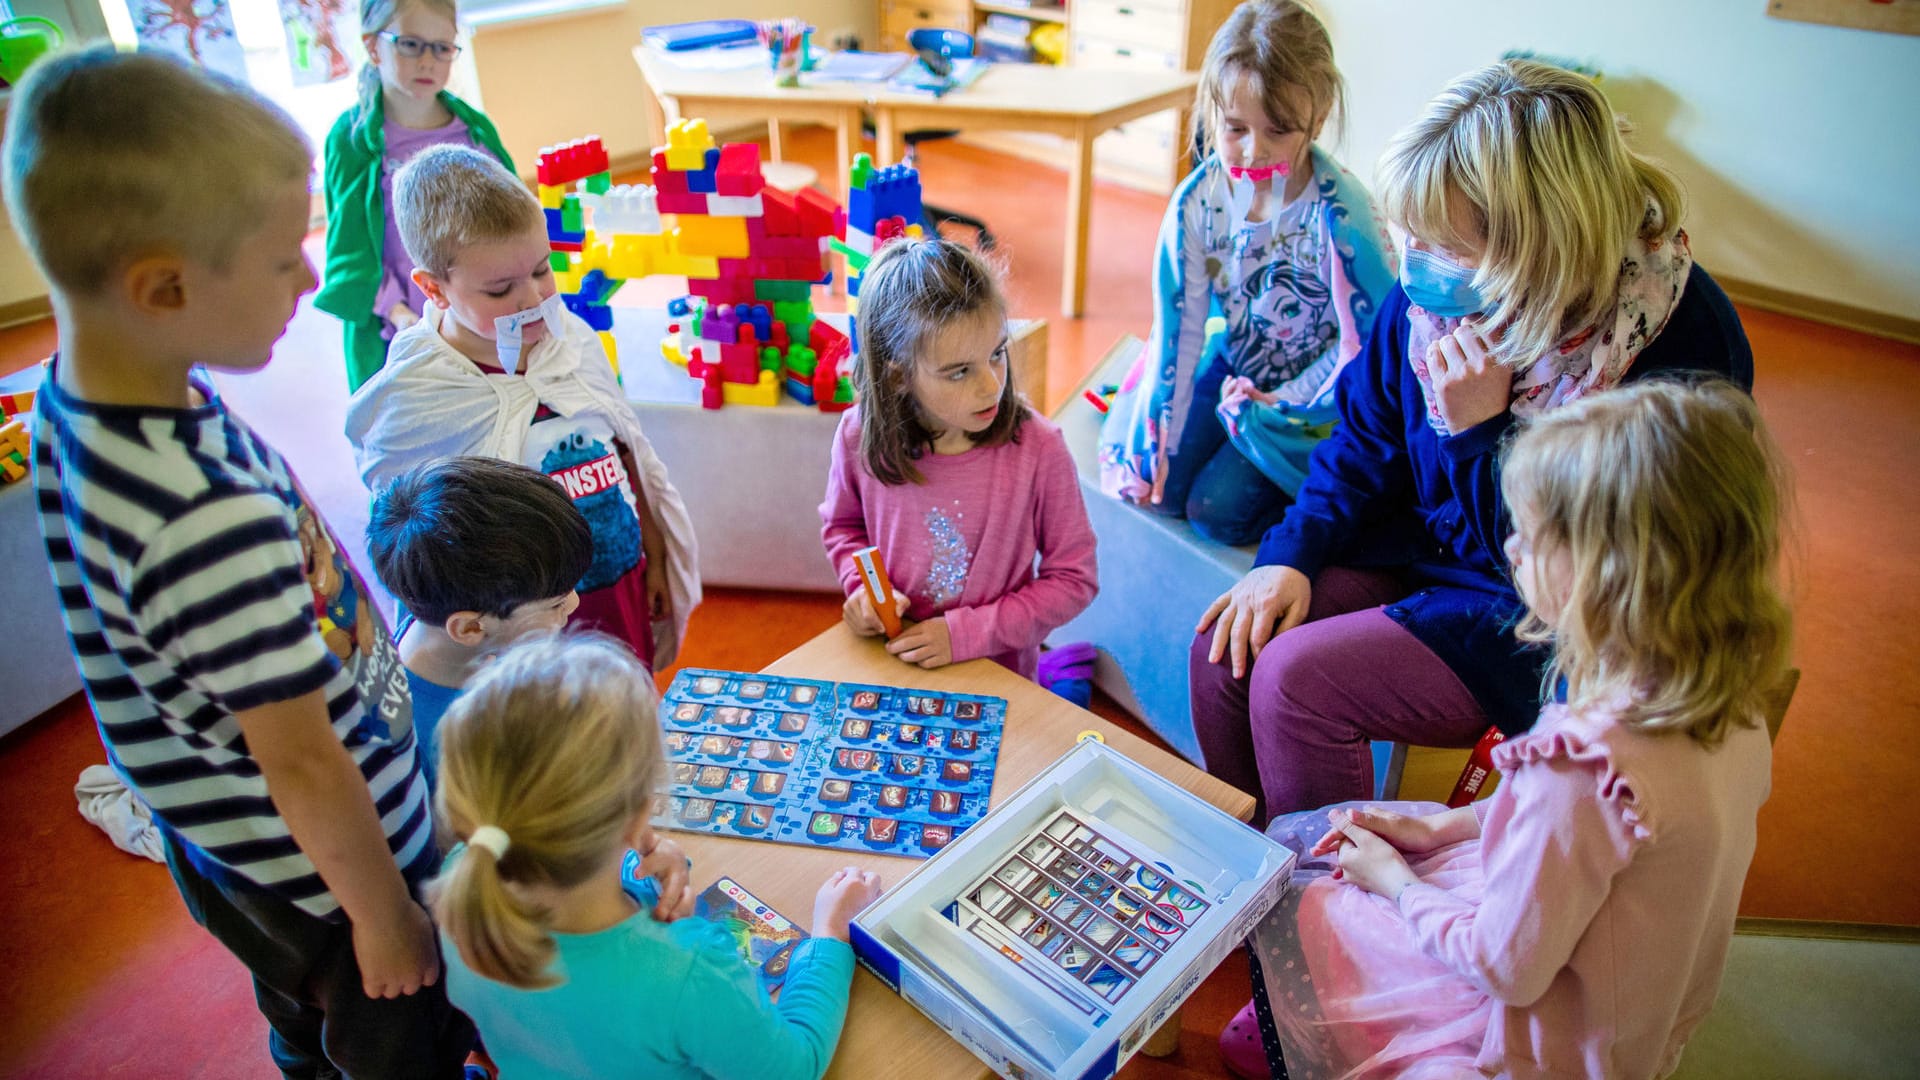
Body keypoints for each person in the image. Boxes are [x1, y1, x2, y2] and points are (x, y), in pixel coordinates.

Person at [7, 48, 471, 1076]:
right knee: (394, 1034)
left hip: (226, 842)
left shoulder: (80, 391)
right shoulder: (199, 520)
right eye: (280, 260)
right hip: (324, 877)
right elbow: (303, 761)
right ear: (163, 287)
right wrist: (384, 915)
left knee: (301, 1020)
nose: (311, 278)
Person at [1190, 58, 1755, 828]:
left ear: (1541, 246)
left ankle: (1327, 916)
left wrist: (1478, 435)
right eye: (1409, 239)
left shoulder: (1677, 352)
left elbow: (1569, 580)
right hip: (1426, 552)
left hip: (1543, 612)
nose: (1415, 268)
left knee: (1294, 679)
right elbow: (1362, 442)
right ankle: (1252, 866)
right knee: (1230, 646)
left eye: (1444, 249)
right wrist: (1289, 552)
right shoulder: (1433, 305)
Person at [1235, 380, 1790, 1080]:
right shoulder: (1730, 705)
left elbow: (1504, 969)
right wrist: (1444, 830)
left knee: (1308, 889)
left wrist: (1394, 881)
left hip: (1544, 1046)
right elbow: (1601, 831)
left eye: (1529, 537)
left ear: (1604, 572)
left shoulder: (1581, 761)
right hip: (1642, 1016)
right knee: (1384, 851)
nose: (1509, 547)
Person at [431, 634, 883, 1079]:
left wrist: (639, 873)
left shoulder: (462, 883)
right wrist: (829, 936)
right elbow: (793, 1068)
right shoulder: (688, 972)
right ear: (638, 815)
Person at [346, 145, 699, 672]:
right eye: (499, 289)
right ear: (433, 289)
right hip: (521, 617)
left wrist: (655, 554)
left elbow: (628, 453)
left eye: (541, 270)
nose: (532, 298)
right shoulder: (414, 396)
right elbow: (417, 546)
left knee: (626, 702)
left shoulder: (572, 340)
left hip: (615, 578)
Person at [1098, 0, 1394, 544]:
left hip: (1313, 400)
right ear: (1213, 112)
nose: (1254, 152)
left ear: (1318, 119)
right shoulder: (1198, 201)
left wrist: (1285, 401)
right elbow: (1179, 326)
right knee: (1159, 487)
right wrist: (1159, 418)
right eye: (1235, 128)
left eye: (1278, 131)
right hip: (1233, 363)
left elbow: (1369, 346)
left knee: (1215, 511)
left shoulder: (1342, 219)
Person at [820, 237, 1098, 680]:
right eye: (960, 371)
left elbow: (1074, 579)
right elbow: (843, 528)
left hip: (998, 673)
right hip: (895, 659)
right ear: (898, 377)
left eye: (997, 354)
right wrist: (863, 591)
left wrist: (964, 634)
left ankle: (1063, 673)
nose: (992, 386)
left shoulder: (1041, 448)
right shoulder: (857, 435)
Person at [315, 0, 512, 392]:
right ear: (373, 47)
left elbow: (510, 221)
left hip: (480, 321)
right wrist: (400, 313)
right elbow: (349, 249)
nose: (428, 61)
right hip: (401, 329)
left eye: (441, 47)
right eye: (410, 44)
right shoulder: (353, 138)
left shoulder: (475, 131)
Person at [366, 455, 592, 789]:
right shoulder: (422, 744)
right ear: (470, 628)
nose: (574, 603)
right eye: (555, 603)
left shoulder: (450, 635)